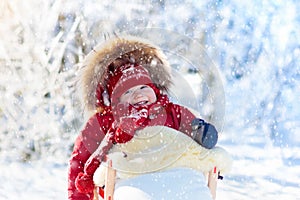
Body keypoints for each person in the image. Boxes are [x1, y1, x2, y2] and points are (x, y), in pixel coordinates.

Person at [68, 36, 219, 200]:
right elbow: (80, 160)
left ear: (155, 90)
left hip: (176, 176)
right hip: (131, 179)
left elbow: (191, 128)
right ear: (116, 101)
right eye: (128, 92)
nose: (139, 94)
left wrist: (201, 133)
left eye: (143, 87)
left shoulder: (170, 112)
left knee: (191, 190)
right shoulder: (106, 121)